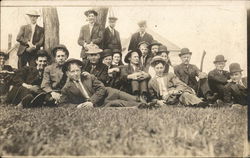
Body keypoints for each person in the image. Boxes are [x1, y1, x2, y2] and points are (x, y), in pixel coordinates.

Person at [61, 58, 155, 108]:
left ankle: (144, 102)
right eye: (73, 71)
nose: (76, 73)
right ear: (67, 73)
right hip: (101, 104)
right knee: (118, 103)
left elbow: (101, 88)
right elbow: (63, 104)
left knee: (127, 97)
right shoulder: (66, 88)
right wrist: (79, 106)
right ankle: (143, 106)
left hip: (107, 93)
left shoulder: (88, 77)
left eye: (78, 70)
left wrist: (91, 101)